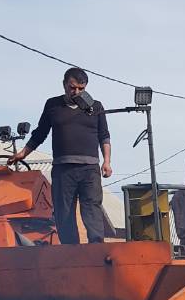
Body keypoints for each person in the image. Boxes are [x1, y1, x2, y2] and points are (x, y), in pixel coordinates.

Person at [11, 67, 112, 244]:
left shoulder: (95, 106)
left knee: (92, 208)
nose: (77, 92)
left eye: (81, 88)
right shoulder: (53, 105)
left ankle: (96, 248)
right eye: (73, 87)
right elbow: (40, 133)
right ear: (64, 84)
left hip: (90, 168)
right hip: (63, 169)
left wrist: (107, 162)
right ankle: (70, 251)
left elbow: (104, 135)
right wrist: (23, 153)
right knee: (63, 211)